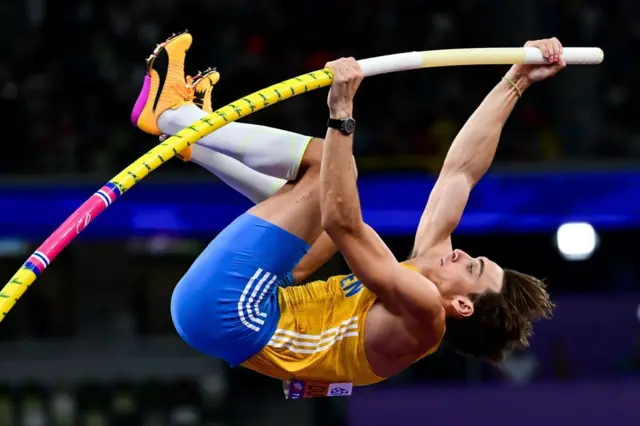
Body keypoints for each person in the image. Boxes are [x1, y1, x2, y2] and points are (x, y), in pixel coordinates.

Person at [131, 32, 557, 397]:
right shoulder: (431, 270)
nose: (462, 254)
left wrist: (342, 113)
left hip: (227, 313)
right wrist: (516, 81)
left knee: (329, 168)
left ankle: (176, 117)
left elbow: (342, 221)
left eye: (472, 267)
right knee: (329, 205)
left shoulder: (425, 313)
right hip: (261, 306)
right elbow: (460, 172)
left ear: (462, 304)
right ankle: (197, 141)